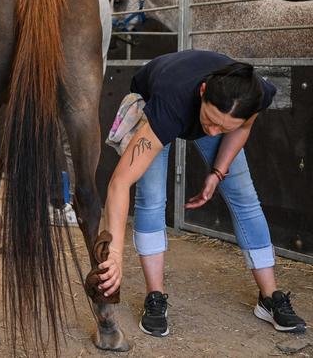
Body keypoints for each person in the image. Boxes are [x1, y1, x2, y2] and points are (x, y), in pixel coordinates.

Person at [98, 49, 306, 337]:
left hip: (215, 107)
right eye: (211, 120)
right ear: (204, 91)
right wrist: (116, 254)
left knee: (244, 196)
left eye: (222, 127)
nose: (213, 131)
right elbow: (119, 183)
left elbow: (241, 125)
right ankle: (155, 296)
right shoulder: (171, 104)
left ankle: (269, 297)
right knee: (152, 198)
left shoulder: (255, 95)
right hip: (159, 101)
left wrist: (218, 173)